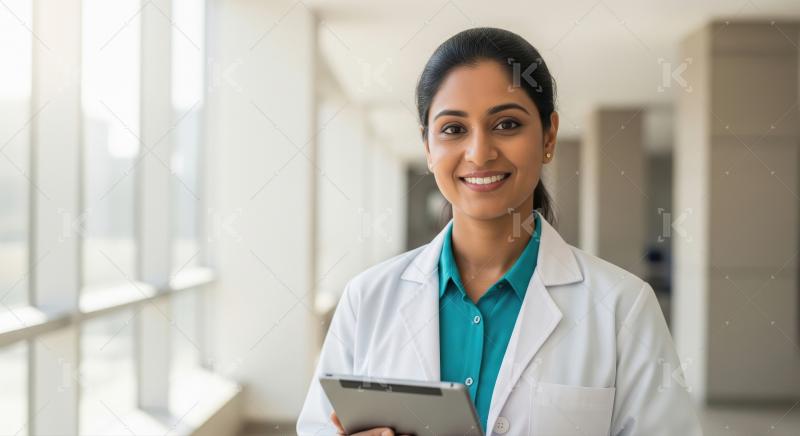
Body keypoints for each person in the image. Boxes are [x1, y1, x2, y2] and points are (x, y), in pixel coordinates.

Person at [297, 27, 703, 436]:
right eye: (454, 129)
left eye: (507, 124)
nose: (479, 153)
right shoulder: (367, 299)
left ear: (548, 136)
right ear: (427, 146)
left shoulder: (622, 308)